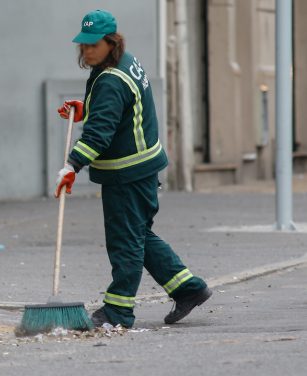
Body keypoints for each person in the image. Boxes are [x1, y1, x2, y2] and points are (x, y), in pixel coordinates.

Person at [55, 9, 212, 328]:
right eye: (82, 45)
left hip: (127, 174)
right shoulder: (123, 62)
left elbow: (100, 132)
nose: (86, 51)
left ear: (111, 42)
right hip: (141, 168)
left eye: (92, 45)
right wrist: (87, 107)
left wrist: (71, 166)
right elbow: (118, 107)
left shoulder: (111, 78)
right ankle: (188, 288)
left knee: (125, 241)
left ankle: (118, 311)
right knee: (138, 235)